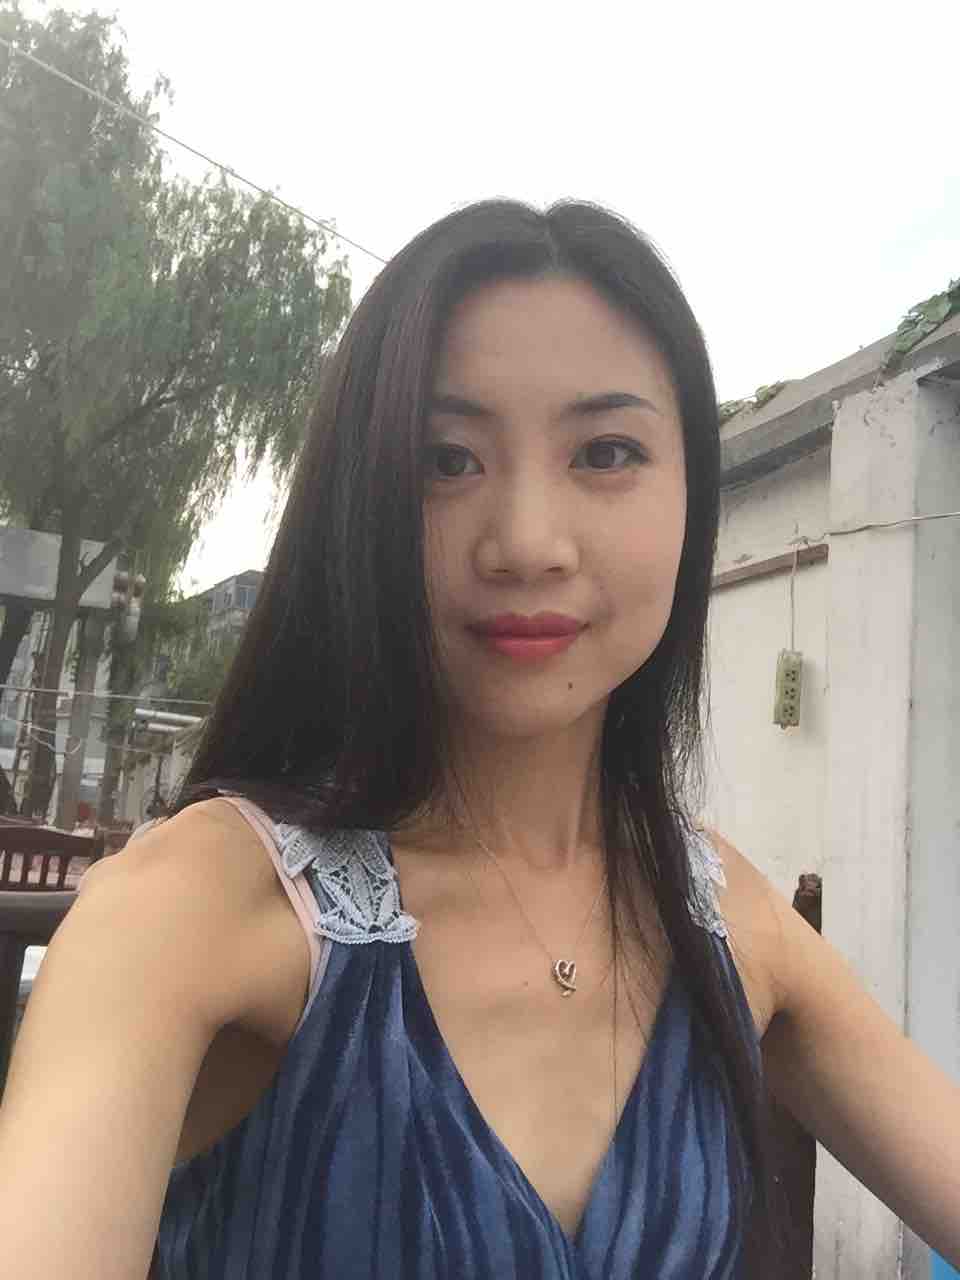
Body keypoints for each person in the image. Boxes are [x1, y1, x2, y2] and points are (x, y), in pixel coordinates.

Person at [1, 199, 957, 1280]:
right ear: (357, 500)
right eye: (446, 460)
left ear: (695, 495)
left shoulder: (725, 916)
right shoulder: (191, 912)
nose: (526, 542)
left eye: (606, 451)